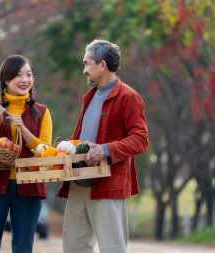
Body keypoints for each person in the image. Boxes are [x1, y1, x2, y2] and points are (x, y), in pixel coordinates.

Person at [58, 39, 149, 253]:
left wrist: (105, 150)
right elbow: (82, 137)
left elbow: (141, 139)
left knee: (112, 248)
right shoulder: (89, 97)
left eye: (87, 63)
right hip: (78, 182)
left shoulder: (129, 97)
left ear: (102, 65)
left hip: (107, 185)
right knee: (73, 248)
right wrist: (66, 147)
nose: (84, 70)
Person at [0, 55, 52, 253]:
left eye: (29, 74)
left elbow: (46, 152)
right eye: (18, 75)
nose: (25, 80)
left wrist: (25, 131)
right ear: (5, 80)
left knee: (23, 248)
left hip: (30, 187)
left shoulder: (42, 113)